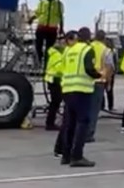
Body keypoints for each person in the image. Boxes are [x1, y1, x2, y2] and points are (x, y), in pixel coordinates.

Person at [52, 27, 101, 168]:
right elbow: (89, 69)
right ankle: (77, 156)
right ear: (88, 37)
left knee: (69, 123)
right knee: (83, 122)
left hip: (67, 89)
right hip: (82, 90)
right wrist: (99, 75)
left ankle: (66, 156)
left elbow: (62, 68)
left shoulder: (68, 50)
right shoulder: (87, 49)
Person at [86, 30, 114, 142]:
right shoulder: (106, 50)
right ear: (104, 39)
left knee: (85, 108)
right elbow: (109, 67)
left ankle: (80, 132)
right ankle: (89, 134)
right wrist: (109, 82)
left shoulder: (87, 47)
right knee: (94, 110)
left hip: (86, 81)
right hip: (99, 81)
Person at [44, 31, 75, 131]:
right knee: (56, 102)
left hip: (55, 80)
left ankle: (51, 122)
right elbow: (58, 68)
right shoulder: (57, 53)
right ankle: (50, 123)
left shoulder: (57, 52)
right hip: (55, 80)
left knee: (56, 102)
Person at [30, 0, 64, 67]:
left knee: (49, 49)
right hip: (42, 27)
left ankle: (46, 65)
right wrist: (31, 19)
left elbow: (60, 16)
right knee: (38, 45)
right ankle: (39, 59)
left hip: (52, 29)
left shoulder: (58, 4)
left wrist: (61, 28)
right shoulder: (42, 2)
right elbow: (37, 13)